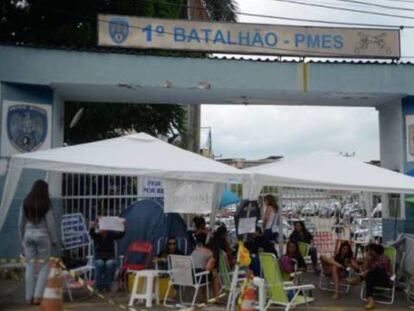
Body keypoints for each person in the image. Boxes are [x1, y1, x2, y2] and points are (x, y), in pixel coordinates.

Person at [19, 180, 58, 305]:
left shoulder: (25, 202)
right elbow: (50, 224)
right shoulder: (46, 204)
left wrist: (22, 241)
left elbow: (20, 223)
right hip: (43, 237)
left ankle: (28, 297)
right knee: (43, 267)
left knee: (29, 266)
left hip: (28, 236)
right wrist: (54, 240)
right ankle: (38, 296)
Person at [346, 243, 392, 310]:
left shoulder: (384, 258)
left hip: (385, 280)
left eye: (370, 250)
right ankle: (370, 301)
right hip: (375, 281)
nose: (369, 252)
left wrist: (368, 271)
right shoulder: (371, 259)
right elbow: (363, 269)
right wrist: (367, 259)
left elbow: (379, 270)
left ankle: (358, 280)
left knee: (376, 269)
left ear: (375, 250)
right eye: (368, 251)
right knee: (369, 276)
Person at [90, 218, 125, 291]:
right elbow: (91, 233)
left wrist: (123, 226)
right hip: (99, 256)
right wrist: (95, 223)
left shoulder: (110, 235)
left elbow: (121, 234)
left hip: (110, 256)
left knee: (110, 264)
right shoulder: (97, 235)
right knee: (99, 263)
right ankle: (98, 286)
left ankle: (107, 284)